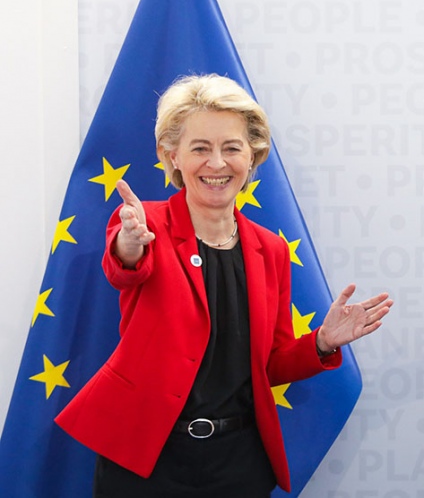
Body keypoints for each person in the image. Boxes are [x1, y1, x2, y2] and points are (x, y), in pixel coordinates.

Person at [55, 74, 393, 498]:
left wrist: (322, 343)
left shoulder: (270, 250)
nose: (217, 163)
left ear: (252, 157)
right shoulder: (147, 225)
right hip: (147, 458)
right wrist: (130, 242)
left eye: (231, 148)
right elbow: (124, 268)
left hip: (239, 460)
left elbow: (269, 366)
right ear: (172, 156)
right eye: (200, 148)